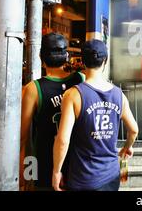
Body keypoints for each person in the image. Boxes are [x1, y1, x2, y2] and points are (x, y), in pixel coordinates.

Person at [52, 39, 138, 191]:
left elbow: (63, 140)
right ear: (105, 60)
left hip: (83, 178)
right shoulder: (119, 95)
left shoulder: (73, 95)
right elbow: (134, 130)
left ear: (82, 61)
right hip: (112, 176)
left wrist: (56, 171)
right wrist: (127, 147)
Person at [20, 33, 85, 190]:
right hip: (78, 165)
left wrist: (27, 173)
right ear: (67, 56)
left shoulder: (34, 89)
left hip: (45, 167)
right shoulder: (80, 80)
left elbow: (23, 137)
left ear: (41, 56)